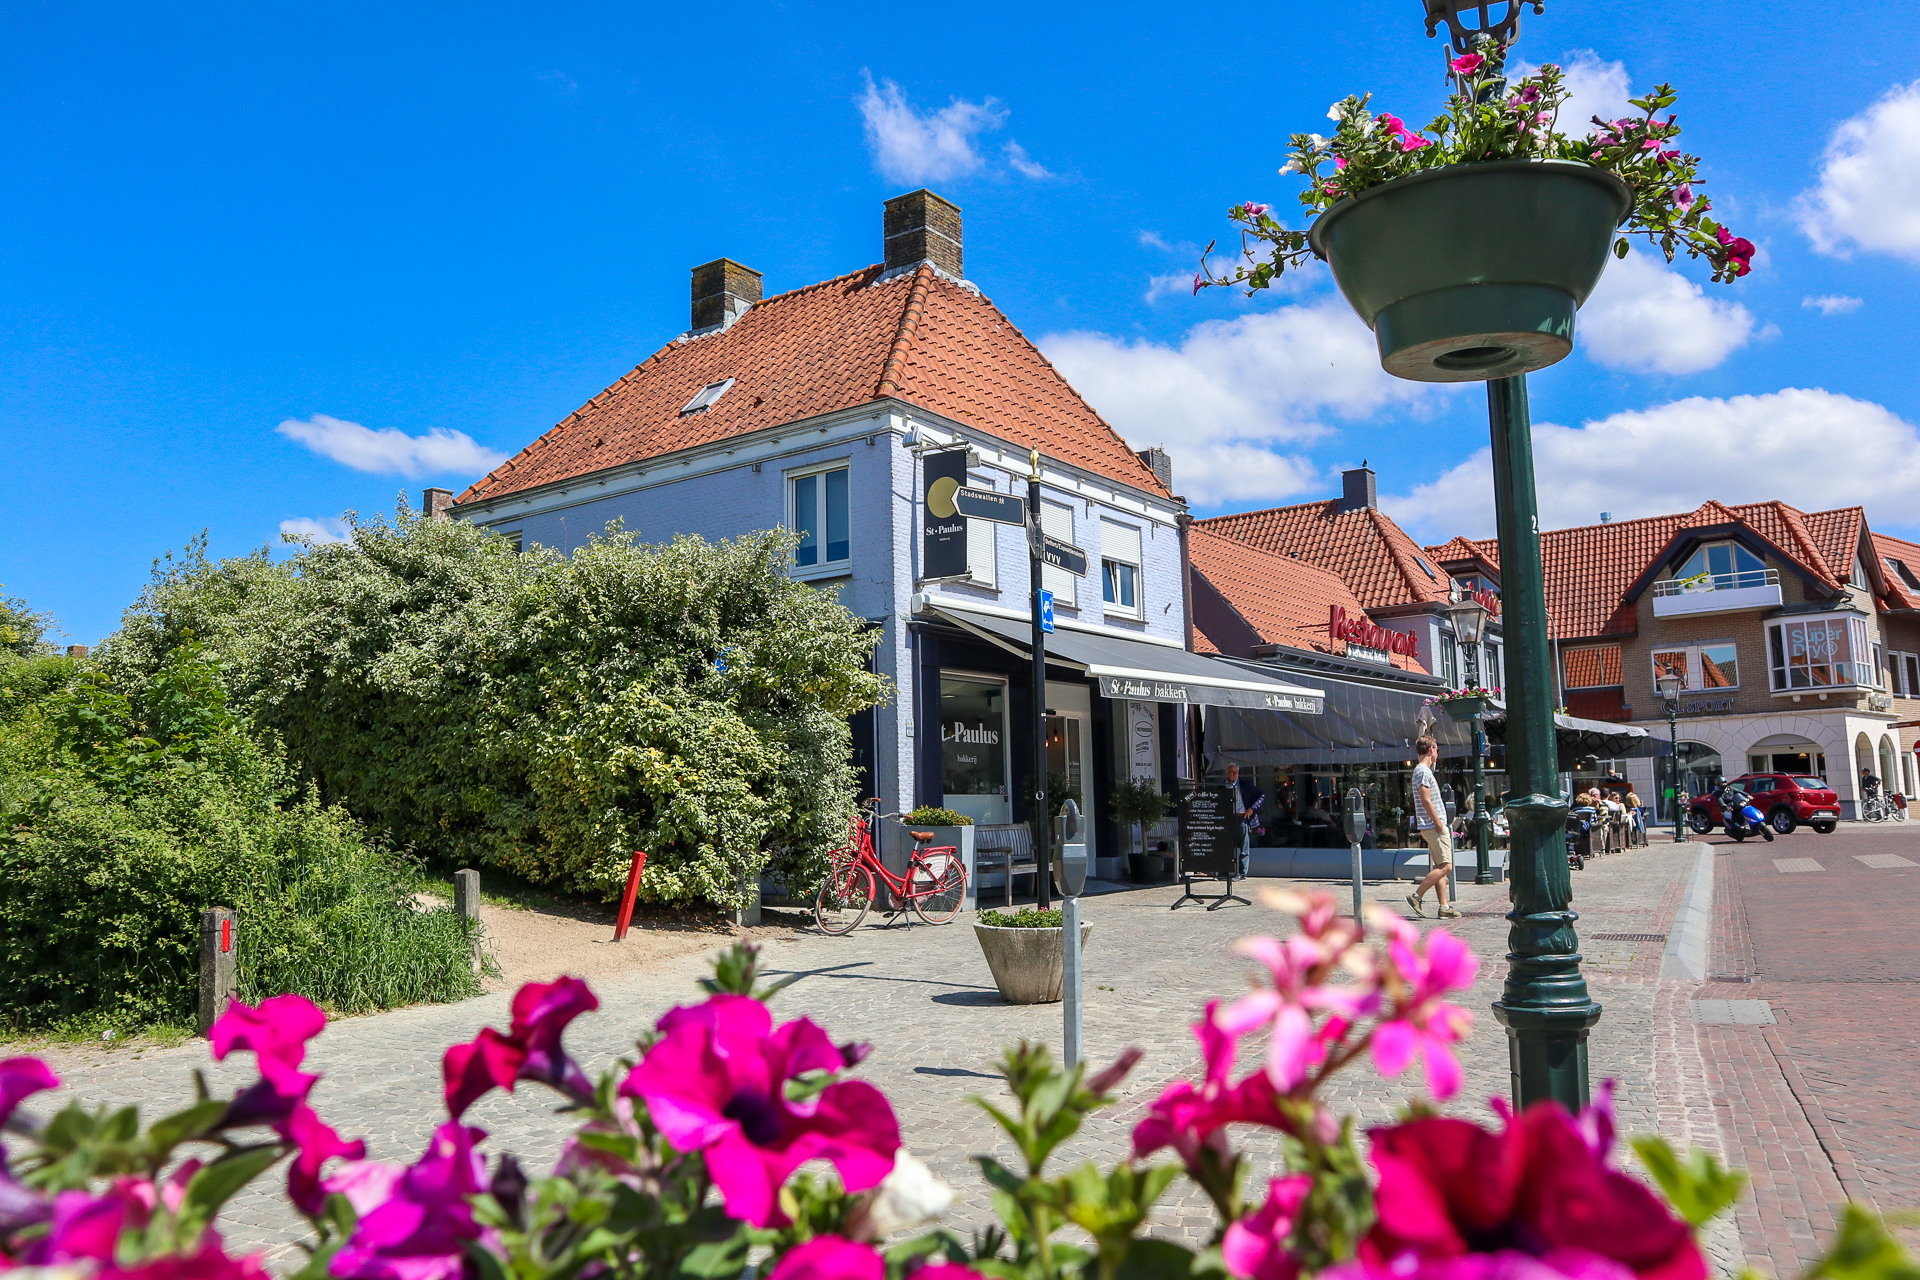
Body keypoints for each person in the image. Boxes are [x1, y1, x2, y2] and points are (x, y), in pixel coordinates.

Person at [1406, 736, 1458, 919]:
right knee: (1447, 866)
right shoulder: (1423, 772)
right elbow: (1425, 799)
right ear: (1431, 749)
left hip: (1431, 825)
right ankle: (1416, 896)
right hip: (1434, 826)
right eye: (1437, 750)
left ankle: (1444, 907)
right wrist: (1438, 823)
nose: (1437, 753)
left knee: (1440, 866)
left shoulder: (1423, 771)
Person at [1224, 763, 1263, 878]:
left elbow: (1261, 795)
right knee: (1226, 845)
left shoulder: (1245, 785)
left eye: (1236, 772)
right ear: (1227, 773)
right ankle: (1224, 871)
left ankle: (1242, 873)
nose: (1234, 774)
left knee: (1243, 846)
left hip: (1242, 817)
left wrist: (1252, 808)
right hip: (1228, 819)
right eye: (1232, 772)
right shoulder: (1222, 786)